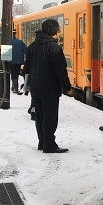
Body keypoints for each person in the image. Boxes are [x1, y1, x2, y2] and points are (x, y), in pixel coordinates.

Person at [25, 19, 73, 153]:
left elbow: (26, 69)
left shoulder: (32, 46)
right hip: (50, 88)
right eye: (58, 31)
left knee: (39, 116)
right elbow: (61, 70)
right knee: (50, 117)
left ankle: (42, 142)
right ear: (55, 32)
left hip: (36, 88)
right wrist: (67, 87)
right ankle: (49, 144)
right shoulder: (55, 48)